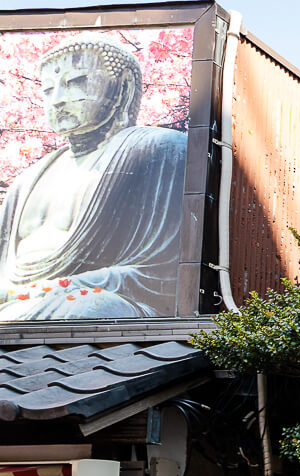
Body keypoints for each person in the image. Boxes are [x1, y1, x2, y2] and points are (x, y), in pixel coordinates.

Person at [0, 33, 186, 319]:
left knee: (91, 308)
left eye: (76, 82)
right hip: (21, 302)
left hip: (89, 304)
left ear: (123, 87)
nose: (58, 100)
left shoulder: (159, 149)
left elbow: (160, 272)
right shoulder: (26, 181)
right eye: (48, 89)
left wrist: (58, 287)